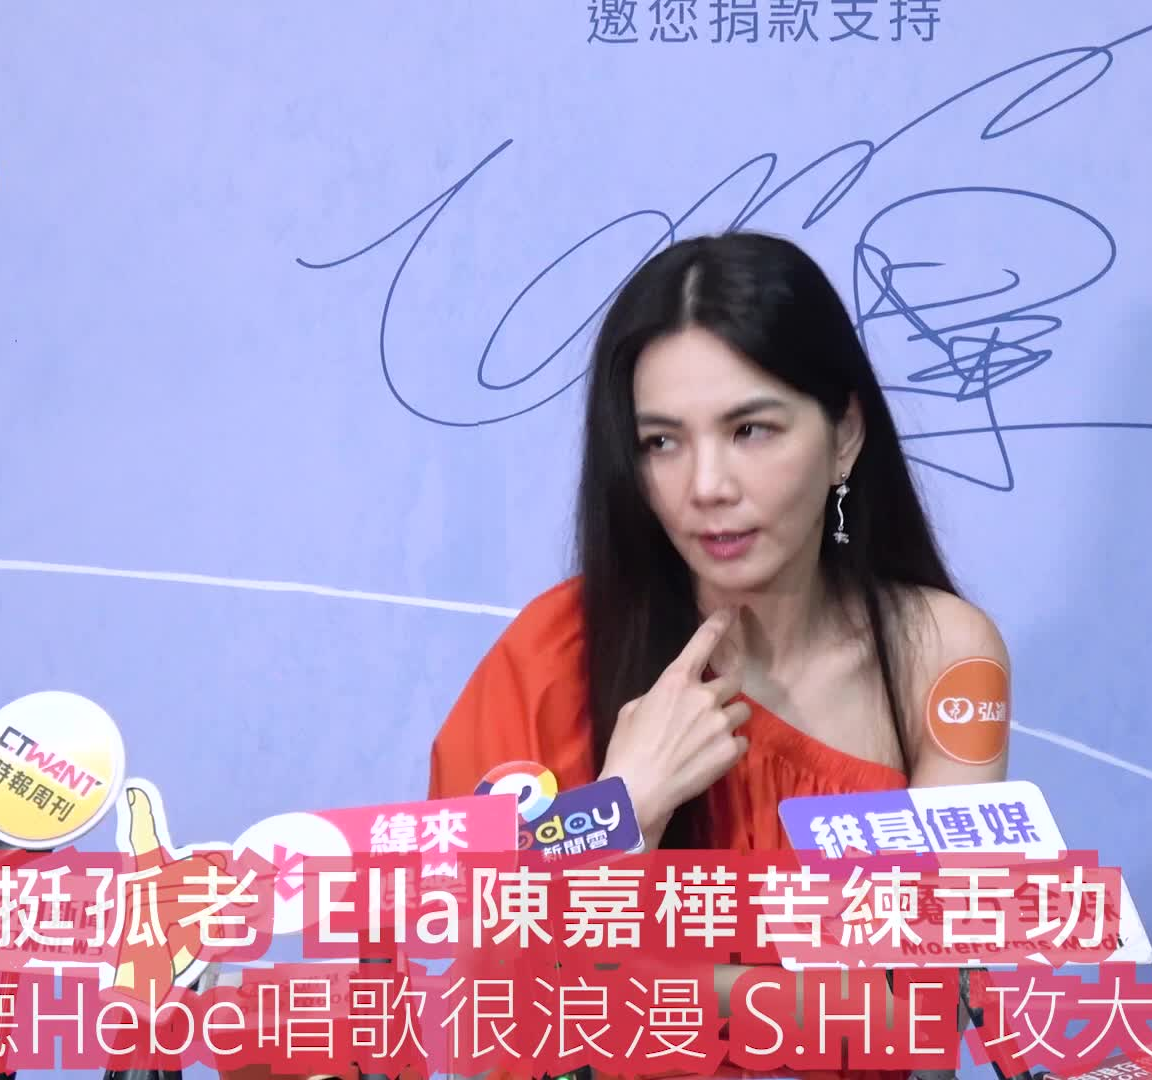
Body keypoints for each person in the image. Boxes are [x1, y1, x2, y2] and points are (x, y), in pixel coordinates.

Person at [426, 230, 1013, 1079]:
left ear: (845, 434)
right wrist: (622, 810)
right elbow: (486, 1004)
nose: (707, 486)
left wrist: (634, 984)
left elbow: (925, 1013)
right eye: (662, 442)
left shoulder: (944, 656)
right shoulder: (550, 657)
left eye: (750, 429)